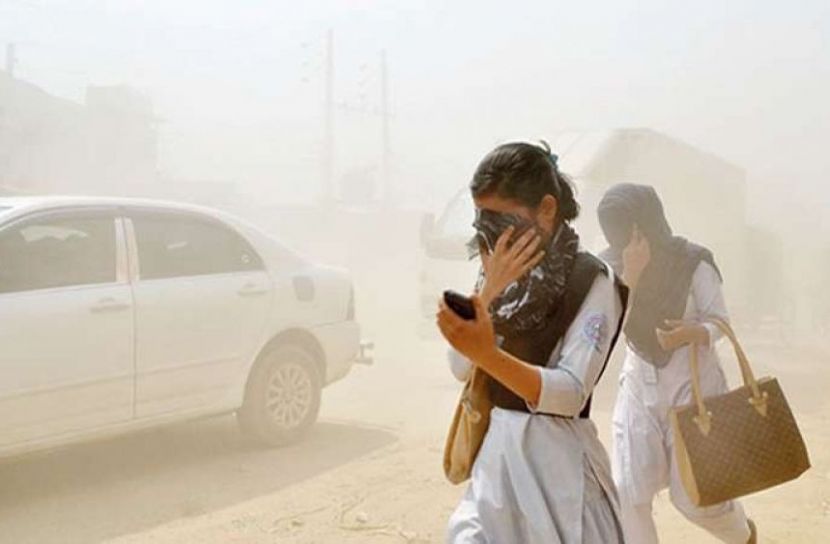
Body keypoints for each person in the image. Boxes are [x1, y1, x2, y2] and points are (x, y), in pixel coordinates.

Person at [436, 141, 628, 544]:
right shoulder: (494, 275)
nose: (494, 238)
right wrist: (489, 293)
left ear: (546, 210)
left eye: (504, 221)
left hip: (559, 473)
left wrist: (489, 355)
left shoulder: (593, 282)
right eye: (484, 223)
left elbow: (570, 394)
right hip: (497, 465)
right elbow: (461, 368)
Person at [596, 183, 758, 544]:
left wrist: (691, 333)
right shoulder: (610, 268)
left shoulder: (693, 262)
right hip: (639, 385)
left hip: (694, 387)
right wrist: (632, 276)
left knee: (695, 500)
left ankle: (743, 535)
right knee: (628, 491)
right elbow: (607, 326)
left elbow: (720, 322)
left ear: (644, 225)